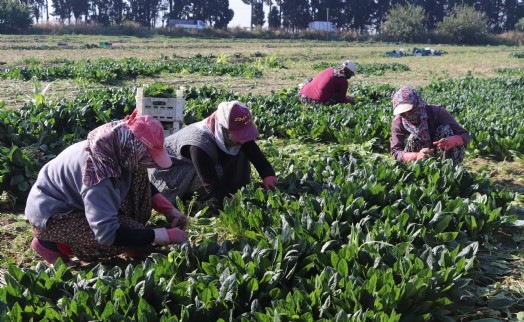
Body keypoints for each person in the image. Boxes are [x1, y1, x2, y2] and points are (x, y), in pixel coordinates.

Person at [25, 112, 189, 265]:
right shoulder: (98, 173)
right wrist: (161, 236)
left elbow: (144, 185)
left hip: (80, 200)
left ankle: (133, 240)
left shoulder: (119, 147)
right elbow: (106, 234)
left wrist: (169, 210)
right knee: (126, 236)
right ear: (133, 148)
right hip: (55, 216)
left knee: (139, 172)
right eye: (148, 155)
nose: (152, 161)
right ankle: (52, 244)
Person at [149, 101, 277, 208]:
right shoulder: (198, 143)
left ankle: (230, 192)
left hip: (193, 170)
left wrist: (272, 186)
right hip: (169, 177)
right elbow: (211, 184)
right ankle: (191, 201)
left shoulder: (231, 134)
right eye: (239, 135)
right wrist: (235, 206)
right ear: (224, 129)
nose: (243, 139)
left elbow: (260, 161)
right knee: (218, 172)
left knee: (241, 151)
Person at [390, 85, 470, 164]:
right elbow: (395, 151)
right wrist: (416, 156)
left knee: (445, 129)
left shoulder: (437, 112)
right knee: (413, 137)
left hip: (444, 151)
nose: (408, 116)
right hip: (419, 159)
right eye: (403, 113)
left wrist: (454, 140)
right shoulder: (398, 121)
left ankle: (448, 169)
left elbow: (465, 135)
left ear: (417, 104)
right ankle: (420, 172)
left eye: (410, 110)